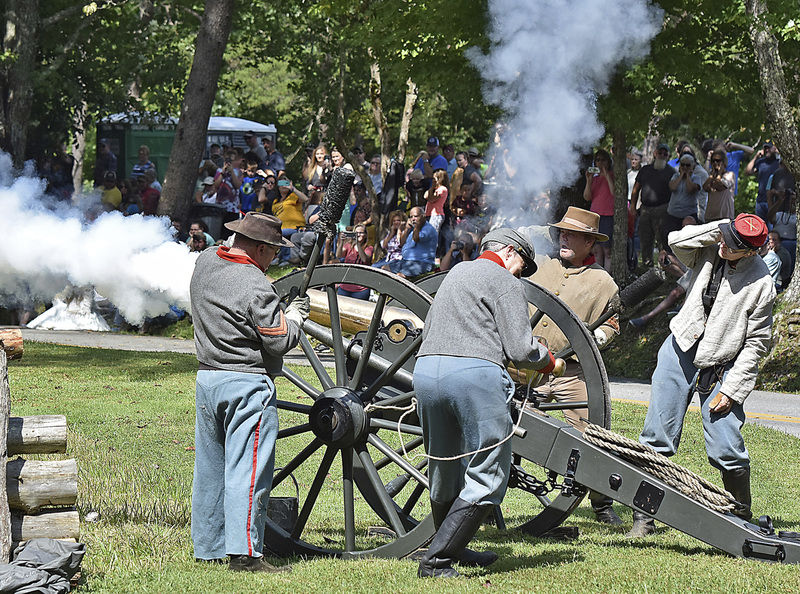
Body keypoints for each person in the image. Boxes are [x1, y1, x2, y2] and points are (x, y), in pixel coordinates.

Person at [414, 228, 556, 578]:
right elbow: (521, 350)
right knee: (489, 473)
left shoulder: (456, 272)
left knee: (444, 465)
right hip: (474, 376)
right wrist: (549, 361)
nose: (520, 273)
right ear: (509, 252)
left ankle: (452, 549)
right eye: (522, 264)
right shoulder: (504, 280)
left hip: (427, 373)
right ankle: (437, 562)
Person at [628, 214, 775, 537]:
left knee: (726, 448)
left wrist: (733, 390)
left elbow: (757, 343)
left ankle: (740, 517)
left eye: (734, 245)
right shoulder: (711, 246)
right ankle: (644, 518)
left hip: (722, 365)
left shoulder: (763, 283)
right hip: (680, 347)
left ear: (751, 252)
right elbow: (675, 241)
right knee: (656, 439)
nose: (724, 245)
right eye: (725, 238)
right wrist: (723, 228)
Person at [190, 212, 309, 572]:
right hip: (246, 384)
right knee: (249, 470)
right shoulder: (256, 284)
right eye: (273, 251)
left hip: (208, 380)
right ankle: (244, 556)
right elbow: (279, 342)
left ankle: (208, 547)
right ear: (259, 248)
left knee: (209, 470)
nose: (274, 258)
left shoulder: (205, 262)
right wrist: (297, 317)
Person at [524, 206, 622, 525]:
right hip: (527, 369)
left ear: (590, 243)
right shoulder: (538, 266)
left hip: (571, 371)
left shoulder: (602, 283)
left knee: (591, 433)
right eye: (562, 233)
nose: (564, 238)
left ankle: (601, 503)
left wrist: (597, 339)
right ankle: (485, 499)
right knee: (509, 429)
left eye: (573, 235)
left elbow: (613, 325)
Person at [631, 143, 675, 267]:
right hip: (645, 210)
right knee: (645, 239)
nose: (662, 155)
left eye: (665, 153)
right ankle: (647, 265)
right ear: (655, 153)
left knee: (663, 240)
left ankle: (666, 267)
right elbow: (636, 189)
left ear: (668, 156)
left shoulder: (671, 172)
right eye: (660, 153)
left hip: (663, 210)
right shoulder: (645, 170)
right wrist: (632, 207)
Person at [583, 149, 615, 272]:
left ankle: (607, 276)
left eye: (603, 160)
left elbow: (614, 193)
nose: (600, 163)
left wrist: (607, 176)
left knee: (607, 249)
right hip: (595, 216)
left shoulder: (613, 176)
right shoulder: (594, 179)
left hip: (608, 215)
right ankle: (597, 273)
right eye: (597, 160)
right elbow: (587, 197)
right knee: (596, 249)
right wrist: (588, 181)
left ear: (608, 162)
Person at [387, 207, 437, 278]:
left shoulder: (428, 229)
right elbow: (401, 243)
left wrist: (417, 226)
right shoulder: (412, 229)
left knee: (399, 277)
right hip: (406, 261)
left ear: (423, 216)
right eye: (411, 217)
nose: (413, 219)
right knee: (385, 269)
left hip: (422, 263)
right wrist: (407, 229)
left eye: (416, 216)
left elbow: (416, 238)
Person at [665, 154, 703, 235]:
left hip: (688, 215)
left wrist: (688, 176)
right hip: (673, 214)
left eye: (688, 165)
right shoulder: (675, 176)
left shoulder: (696, 178)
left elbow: (690, 189)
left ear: (692, 166)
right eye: (683, 165)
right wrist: (681, 175)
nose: (685, 167)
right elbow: (672, 187)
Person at [744, 142, 781, 222]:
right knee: (760, 229)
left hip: (773, 201)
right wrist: (756, 156)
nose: (767, 150)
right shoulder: (761, 162)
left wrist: (778, 151)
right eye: (765, 148)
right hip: (760, 201)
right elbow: (748, 172)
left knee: (772, 229)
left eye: (769, 148)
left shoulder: (779, 162)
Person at [335, 225, 373, 299]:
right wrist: (341, 242)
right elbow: (338, 255)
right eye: (356, 233)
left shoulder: (369, 248)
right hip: (345, 287)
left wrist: (358, 244)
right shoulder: (348, 246)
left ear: (365, 235)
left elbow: (364, 259)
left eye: (361, 233)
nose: (358, 235)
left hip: (361, 289)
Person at [702, 148, 735, 222]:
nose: (715, 163)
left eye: (718, 161)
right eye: (713, 161)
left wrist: (719, 173)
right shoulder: (711, 176)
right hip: (710, 216)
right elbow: (704, 188)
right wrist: (711, 176)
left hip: (724, 216)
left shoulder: (730, 175)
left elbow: (720, 186)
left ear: (724, 162)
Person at [424, 169, 449, 234]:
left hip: (436, 215)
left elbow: (431, 199)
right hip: (429, 214)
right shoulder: (434, 189)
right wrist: (432, 187)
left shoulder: (443, 189)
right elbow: (425, 196)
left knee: (432, 234)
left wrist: (432, 187)